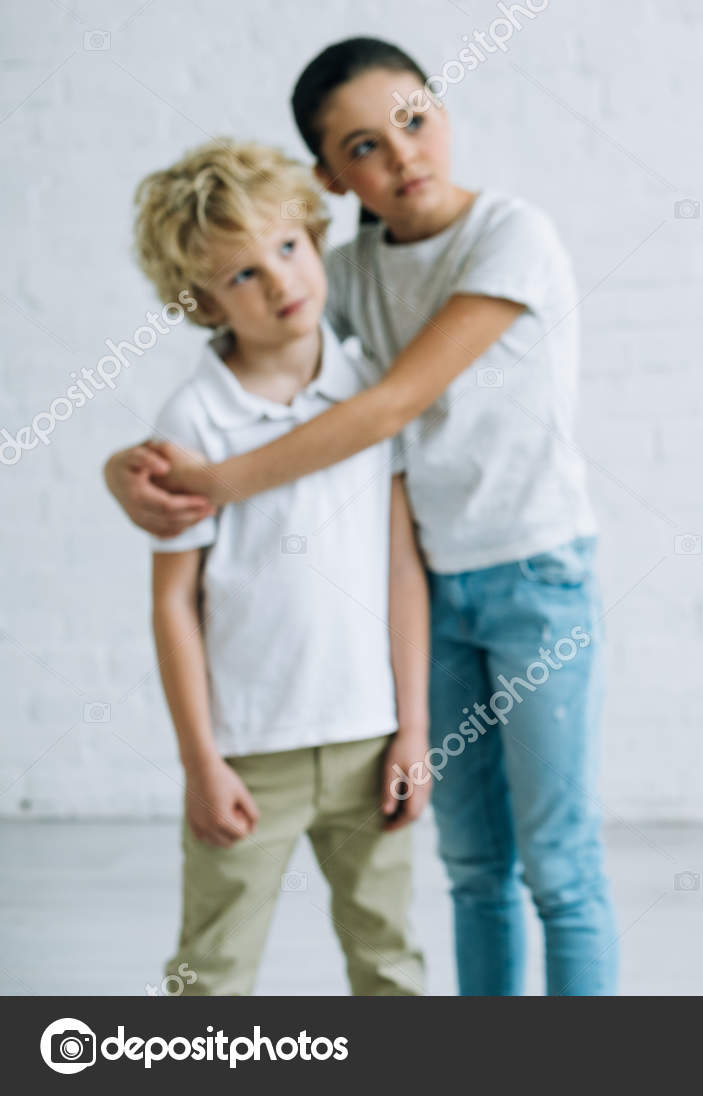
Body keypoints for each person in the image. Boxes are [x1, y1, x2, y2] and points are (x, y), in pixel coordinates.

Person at [104, 38, 617, 996]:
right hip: (430, 584)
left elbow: (383, 408)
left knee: (559, 864)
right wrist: (119, 470)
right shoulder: (341, 271)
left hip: (532, 575)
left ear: (444, 115)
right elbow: (254, 353)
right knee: (472, 867)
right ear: (333, 179)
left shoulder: (511, 235)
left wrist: (215, 484)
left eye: (414, 120)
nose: (402, 154)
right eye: (364, 147)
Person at [137, 138, 427, 995]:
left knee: (389, 960)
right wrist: (201, 763)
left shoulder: (369, 390)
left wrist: (413, 727)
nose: (280, 283)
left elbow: (402, 567)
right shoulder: (192, 417)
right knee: (212, 970)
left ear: (312, 232)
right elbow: (173, 607)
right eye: (241, 276)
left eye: (289, 249)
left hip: (369, 738)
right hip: (248, 750)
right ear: (204, 303)